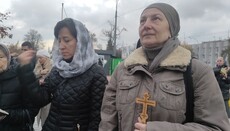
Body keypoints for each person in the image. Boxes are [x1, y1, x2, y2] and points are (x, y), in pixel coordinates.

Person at [99, 3, 230, 131]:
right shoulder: (123, 69)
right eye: (142, 21)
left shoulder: (196, 72)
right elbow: (108, 121)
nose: (146, 25)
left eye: (155, 19)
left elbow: (215, 127)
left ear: (172, 28)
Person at [17, 18, 108, 131]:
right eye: (59, 40)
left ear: (81, 41)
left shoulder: (96, 74)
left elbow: (97, 119)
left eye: (66, 40)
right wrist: (25, 70)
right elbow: (40, 99)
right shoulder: (58, 69)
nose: (61, 46)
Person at [0, 43, 39, 131]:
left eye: (0, 57)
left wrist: (7, 115)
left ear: (8, 58)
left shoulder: (21, 78)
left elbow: (31, 111)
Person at [34, 49, 53, 126]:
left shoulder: (52, 65)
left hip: (49, 96)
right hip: (39, 95)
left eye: (41, 57)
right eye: (38, 58)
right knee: (40, 117)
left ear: (46, 57)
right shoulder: (38, 65)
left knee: (47, 118)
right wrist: (40, 73)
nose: (39, 60)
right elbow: (33, 76)